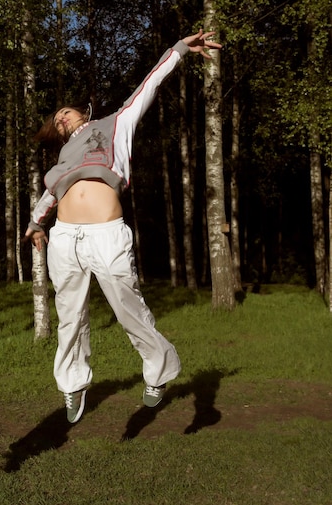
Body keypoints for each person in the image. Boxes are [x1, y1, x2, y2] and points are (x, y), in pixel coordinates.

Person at [24, 30, 221, 423]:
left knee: (128, 304)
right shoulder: (64, 156)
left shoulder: (115, 123)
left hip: (105, 233)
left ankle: (159, 368)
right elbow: (53, 191)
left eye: (66, 111)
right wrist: (35, 223)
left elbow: (150, 83)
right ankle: (73, 384)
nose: (61, 118)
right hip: (65, 238)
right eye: (56, 119)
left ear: (85, 110)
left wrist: (180, 49)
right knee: (69, 314)